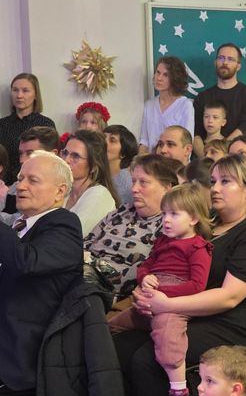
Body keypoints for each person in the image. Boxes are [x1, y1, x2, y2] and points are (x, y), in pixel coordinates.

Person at [114, 155, 246, 396]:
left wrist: (165, 304)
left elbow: (229, 297)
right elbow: (165, 265)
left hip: (228, 322)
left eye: (226, 181)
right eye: (213, 181)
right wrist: (145, 291)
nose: (215, 188)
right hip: (182, 310)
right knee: (116, 348)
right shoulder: (205, 223)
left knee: (149, 360)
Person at [109, 184, 212, 396]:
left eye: (174, 214)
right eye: (164, 213)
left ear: (193, 219)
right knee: (112, 325)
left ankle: (178, 388)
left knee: (169, 343)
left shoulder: (198, 247)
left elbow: (197, 285)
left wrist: (162, 295)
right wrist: (145, 277)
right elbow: (146, 265)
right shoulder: (162, 241)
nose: (166, 219)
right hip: (147, 301)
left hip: (172, 305)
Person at [0, 151, 82, 394]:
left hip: (20, 357)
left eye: (32, 180)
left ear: (59, 191)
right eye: (20, 178)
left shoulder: (64, 225)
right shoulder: (21, 226)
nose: (20, 186)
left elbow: (26, 262)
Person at [84, 154, 179, 296]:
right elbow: (85, 243)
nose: (134, 188)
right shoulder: (122, 211)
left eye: (143, 182)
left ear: (167, 188)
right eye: (133, 181)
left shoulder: (168, 226)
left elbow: (142, 274)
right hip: (80, 274)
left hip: (106, 290)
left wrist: (91, 271)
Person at [194, 43, 246, 141]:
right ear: (215, 62)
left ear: (238, 66)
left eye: (230, 59)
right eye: (221, 58)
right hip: (207, 149)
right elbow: (195, 129)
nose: (225, 62)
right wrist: (202, 150)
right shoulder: (202, 97)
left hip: (240, 149)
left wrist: (223, 147)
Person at [0, 73, 55, 185]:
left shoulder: (45, 124)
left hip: (36, 184)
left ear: (35, 95)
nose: (19, 95)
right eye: (15, 90)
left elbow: (51, 160)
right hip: (4, 185)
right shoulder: (2, 124)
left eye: (25, 91)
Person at [61, 130, 119, 236]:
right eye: (65, 153)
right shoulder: (65, 190)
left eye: (75, 156)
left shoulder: (99, 195)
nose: (66, 160)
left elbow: (70, 235)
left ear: (93, 167)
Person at [139, 56, 194, 153]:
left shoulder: (185, 105)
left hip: (174, 160)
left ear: (175, 78)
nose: (159, 78)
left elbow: (187, 142)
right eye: (158, 72)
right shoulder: (149, 105)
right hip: (152, 160)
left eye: (165, 75)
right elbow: (144, 141)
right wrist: (140, 159)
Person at [104, 125, 138, 205]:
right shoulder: (94, 171)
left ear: (123, 153)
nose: (104, 142)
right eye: (102, 137)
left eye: (112, 140)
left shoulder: (126, 184)